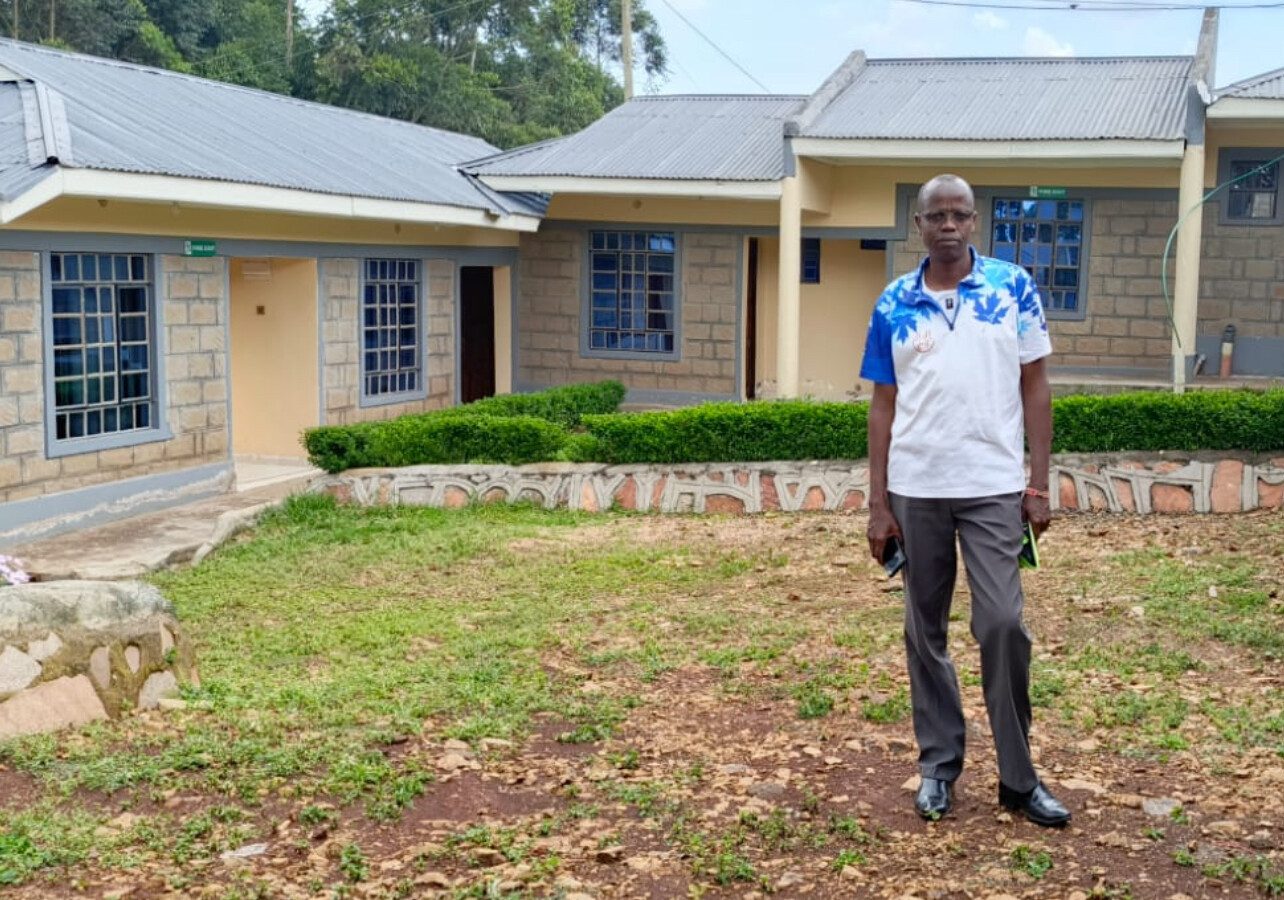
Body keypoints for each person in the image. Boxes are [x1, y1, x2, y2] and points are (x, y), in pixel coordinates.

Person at [858, 174, 1070, 828]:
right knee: (924, 632)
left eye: (959, 214)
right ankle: (938, 767)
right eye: (936, 215)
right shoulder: (893, 302)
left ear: (975, 222)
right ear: (918, 225)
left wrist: (1038, 483)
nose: (948, 224)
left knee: (1002, 622)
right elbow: (882, 405)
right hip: (916, 489)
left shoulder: (1012, 288)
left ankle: (1018, 779)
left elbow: (1035, 385)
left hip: (992, 487)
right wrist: (877, 503)